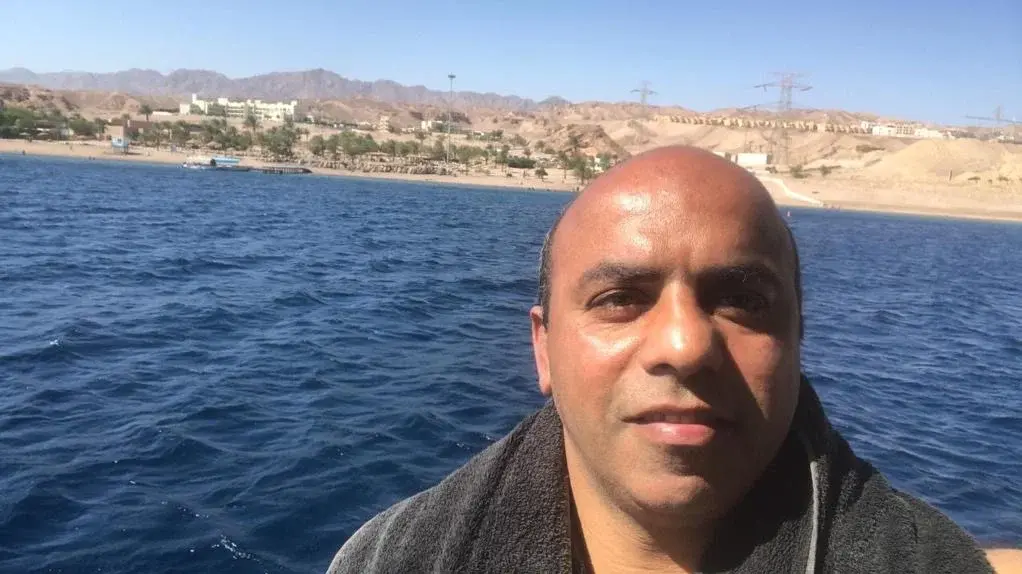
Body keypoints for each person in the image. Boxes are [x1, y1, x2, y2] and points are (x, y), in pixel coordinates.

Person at [326, 145, 1015, 573]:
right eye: (620, 299)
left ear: (797, 336)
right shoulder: (390, 559)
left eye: (741, 299)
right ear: (543, 348)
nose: (684, 348)